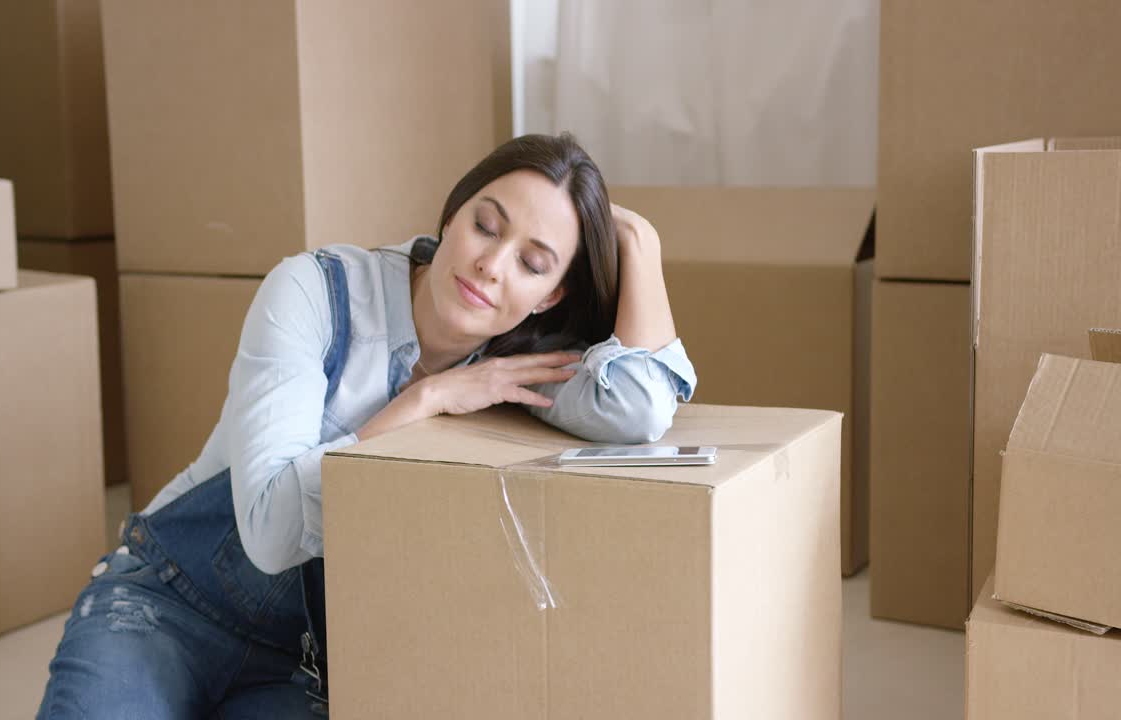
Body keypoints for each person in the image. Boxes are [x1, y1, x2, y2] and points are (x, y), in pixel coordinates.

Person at [36, 133, 696, 719]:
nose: (492, 266)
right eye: (487, 227)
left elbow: (638, 410)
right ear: (452, 214)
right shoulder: (314, 291)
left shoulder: (511, 361)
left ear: (550, 296)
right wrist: (425, 401)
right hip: (165, 608)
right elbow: (269, 531)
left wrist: (639, 242)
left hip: (306, 661)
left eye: (533, 262)